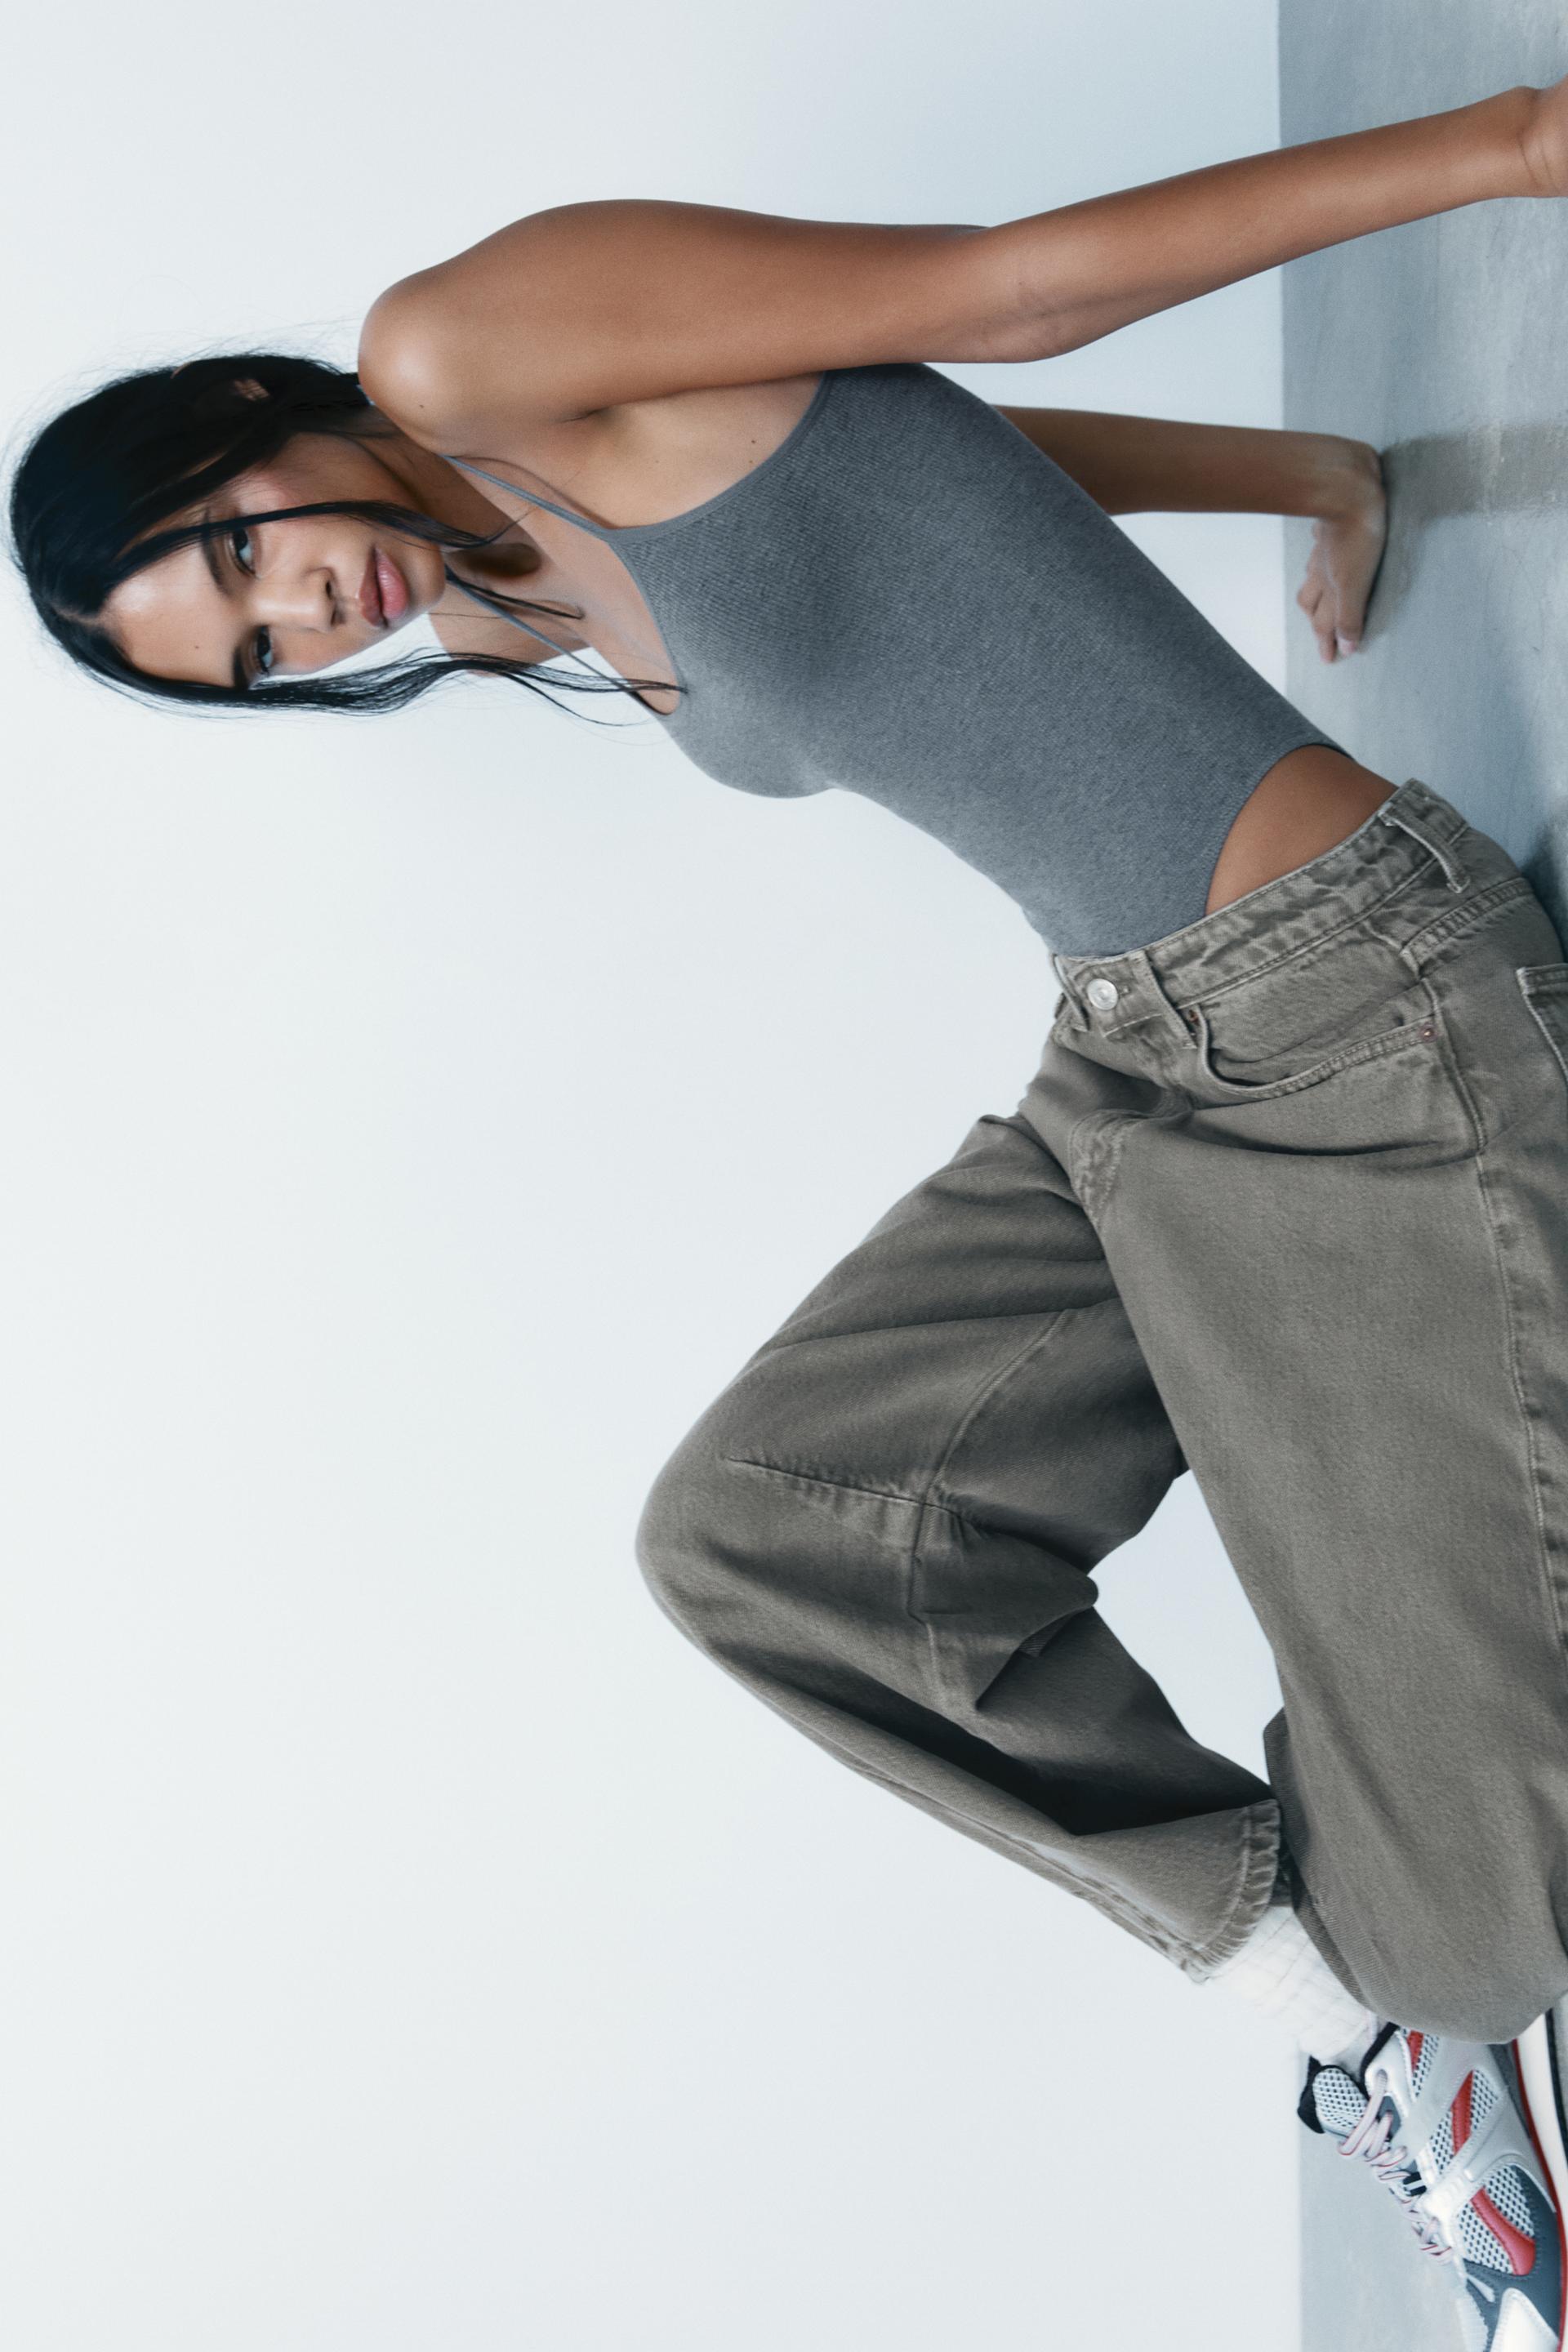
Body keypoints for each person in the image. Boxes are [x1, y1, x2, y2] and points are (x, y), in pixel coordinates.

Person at [15, 66, 1568, 2350]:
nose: (308, 611)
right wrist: (1310, 476)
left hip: (1349, 1001)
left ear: (240, 416)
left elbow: (1005, 300)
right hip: (1131, 1057)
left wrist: (1518, 148)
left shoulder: (466, 348)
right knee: (761, 1540)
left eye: (239, 551)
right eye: (257, 654)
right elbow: (922, 463)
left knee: (1487, 1927)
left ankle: (1419, 1992)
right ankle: (1342, 2022)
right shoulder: (495, 609)